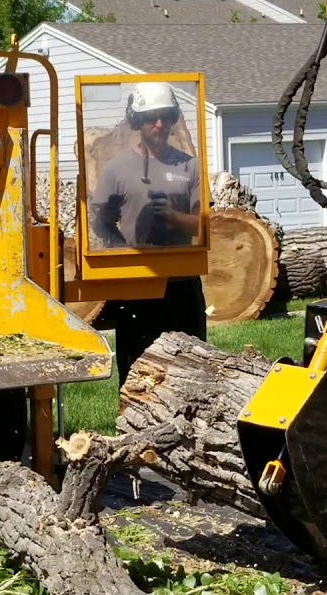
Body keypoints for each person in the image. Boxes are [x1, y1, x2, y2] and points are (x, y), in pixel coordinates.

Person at [89, 82, 209, 388]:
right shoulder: (116, 169)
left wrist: (171, 216)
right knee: (137, 374)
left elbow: (202, 226)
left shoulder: (190, 166)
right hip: (136, 287)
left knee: (192, 370)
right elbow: (100, 222)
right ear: (136, 121)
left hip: (183, 284)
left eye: (165, 116)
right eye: (151, 117)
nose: (159, 124)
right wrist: (123, 249)